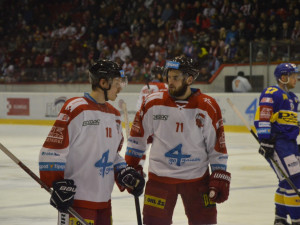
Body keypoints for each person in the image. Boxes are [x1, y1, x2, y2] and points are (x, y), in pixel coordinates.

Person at [125, 56, 231, 225]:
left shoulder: (207, 106)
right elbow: (137, 140)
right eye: (169, 77)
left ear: (189, 79)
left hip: (197, 179)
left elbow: (216, 147)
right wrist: (131, 167)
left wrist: (219, 174)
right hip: (160, 178)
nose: (170, 82)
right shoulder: (153, 102)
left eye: (175, 77)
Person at [39, 59, 145, 225]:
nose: (120, 88)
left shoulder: (115, 115)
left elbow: (112, 155)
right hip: (76, 202)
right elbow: (53, 149)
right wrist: (57, 183)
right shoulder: (76, 108)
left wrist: (124, 171)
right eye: (117, 83)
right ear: (103, 83)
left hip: (104, 201)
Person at [254, 63, 300, 225]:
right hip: (277, 144)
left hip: (290, 144)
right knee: (295, 180)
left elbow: (290, 122)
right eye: (293, 75)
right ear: (283, 77)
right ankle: (297, 219)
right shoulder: (272, 92)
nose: (297, 78)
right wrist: (265, 139)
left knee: (285, 181)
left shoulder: (293, 98)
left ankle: (280, 218)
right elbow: (263, 116)